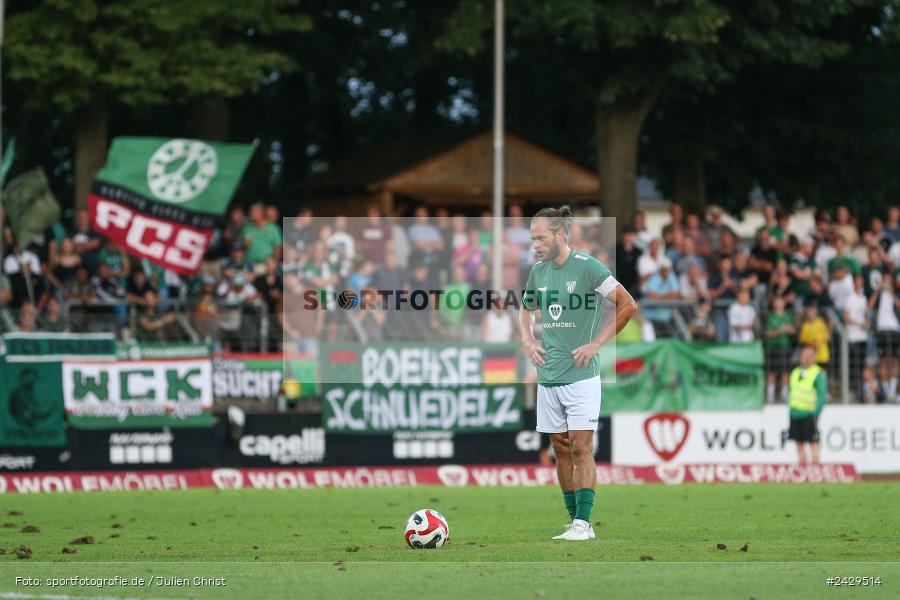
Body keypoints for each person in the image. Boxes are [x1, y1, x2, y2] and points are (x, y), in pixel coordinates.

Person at [519, 205, 637, 541]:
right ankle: (575, 522)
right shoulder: (538, 272)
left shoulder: (588, 268)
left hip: (582, 376)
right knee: (560, 448)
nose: (535, 244)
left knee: (582, 447)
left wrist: (597, 343)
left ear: (559, 235)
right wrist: (528, 340)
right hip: (549, 375)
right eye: (532, 238)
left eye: (540, 238)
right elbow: (525, 310)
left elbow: (627, 304)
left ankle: (583, 523)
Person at [788, 345, 827, 464]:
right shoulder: (795, 372)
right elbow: (792, 391)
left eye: (809, 356)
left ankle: (815, 471)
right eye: (804, 356)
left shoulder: (817, 373)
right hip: (795, 413)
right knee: (798, 444)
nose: (805, 359)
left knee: (813, 443)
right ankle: (803, 471)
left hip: (808, 414)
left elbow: (821, 396)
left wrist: (815, 412)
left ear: (814, 358)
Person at [765, 296, 795, 403]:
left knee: (785, 371)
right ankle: (770, 395)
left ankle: (785, 394)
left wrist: (788, 329)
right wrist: (780, 331)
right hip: (773, 347)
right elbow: (768, 333)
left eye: (780, 302)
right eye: (776, 302)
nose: (778, 304)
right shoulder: (771, 316)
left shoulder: (788, 316)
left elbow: (793, 330)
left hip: (785, 347)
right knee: (771, 372)